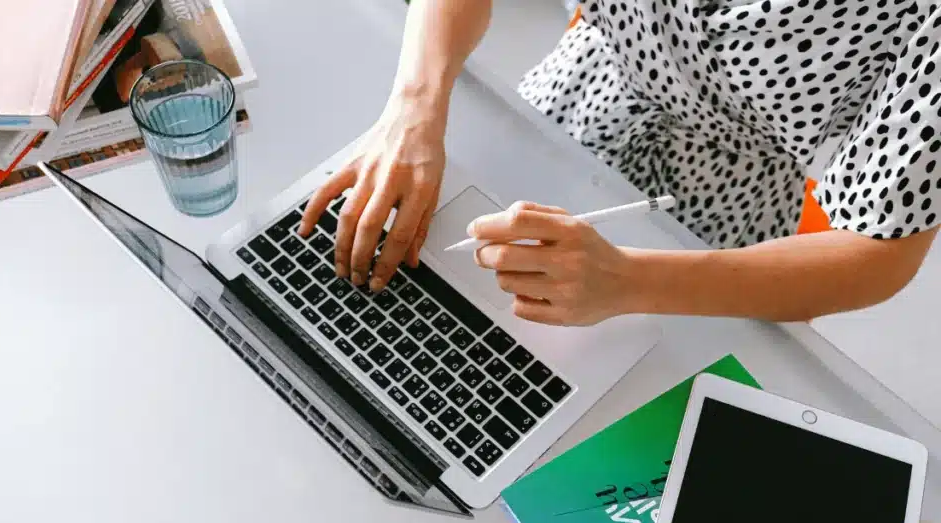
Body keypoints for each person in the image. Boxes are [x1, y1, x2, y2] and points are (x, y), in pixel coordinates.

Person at [299, 0, 939, 326]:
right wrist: (414, 106)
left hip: (719, 229)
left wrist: (629, 282)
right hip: (566, 104)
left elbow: (880, 251)